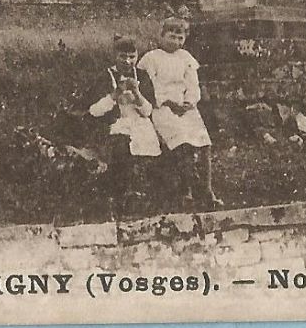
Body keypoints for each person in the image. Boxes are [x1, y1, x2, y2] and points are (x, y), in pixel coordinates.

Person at [137, 16, 220, 209]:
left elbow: (193, 85)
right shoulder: (152, 58)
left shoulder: (186, 58)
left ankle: (207, 190)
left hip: (185, 108)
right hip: (163, 107)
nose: (175, 41)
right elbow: (149, 87)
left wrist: (189, 103)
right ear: (162, 35)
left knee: (204, 142)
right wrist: (167, 102)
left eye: (179, 38)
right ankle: (186, 190)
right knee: (182, 142)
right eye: (171, 36)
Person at [86, 35, 160, 215]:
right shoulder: (105, 76)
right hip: (116, 125)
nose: (127, 61)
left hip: (141, 125)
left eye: (132, 57)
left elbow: (148, 111)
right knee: (121, 151)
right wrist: (114, 95)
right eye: (122, 57)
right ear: (114, 55)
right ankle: (121, 201)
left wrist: (136, 92)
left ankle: (142, 202)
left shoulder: (141, 76)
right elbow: (94, 111)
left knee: (147, 154)